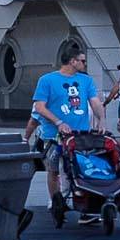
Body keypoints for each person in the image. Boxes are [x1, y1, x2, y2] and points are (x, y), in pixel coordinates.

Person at [32, 47, 100, 211]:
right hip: (54, 135)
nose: (85, 64)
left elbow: (95, 102)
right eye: (82, 61)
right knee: (54, 169)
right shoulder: (47, 80)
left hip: (80, 136)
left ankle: (80, 202)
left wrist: (102, 120)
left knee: (79, 169)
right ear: (72, 61)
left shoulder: (86, 80)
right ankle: (55, 201)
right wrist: (58, 122)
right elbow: (39, 107)